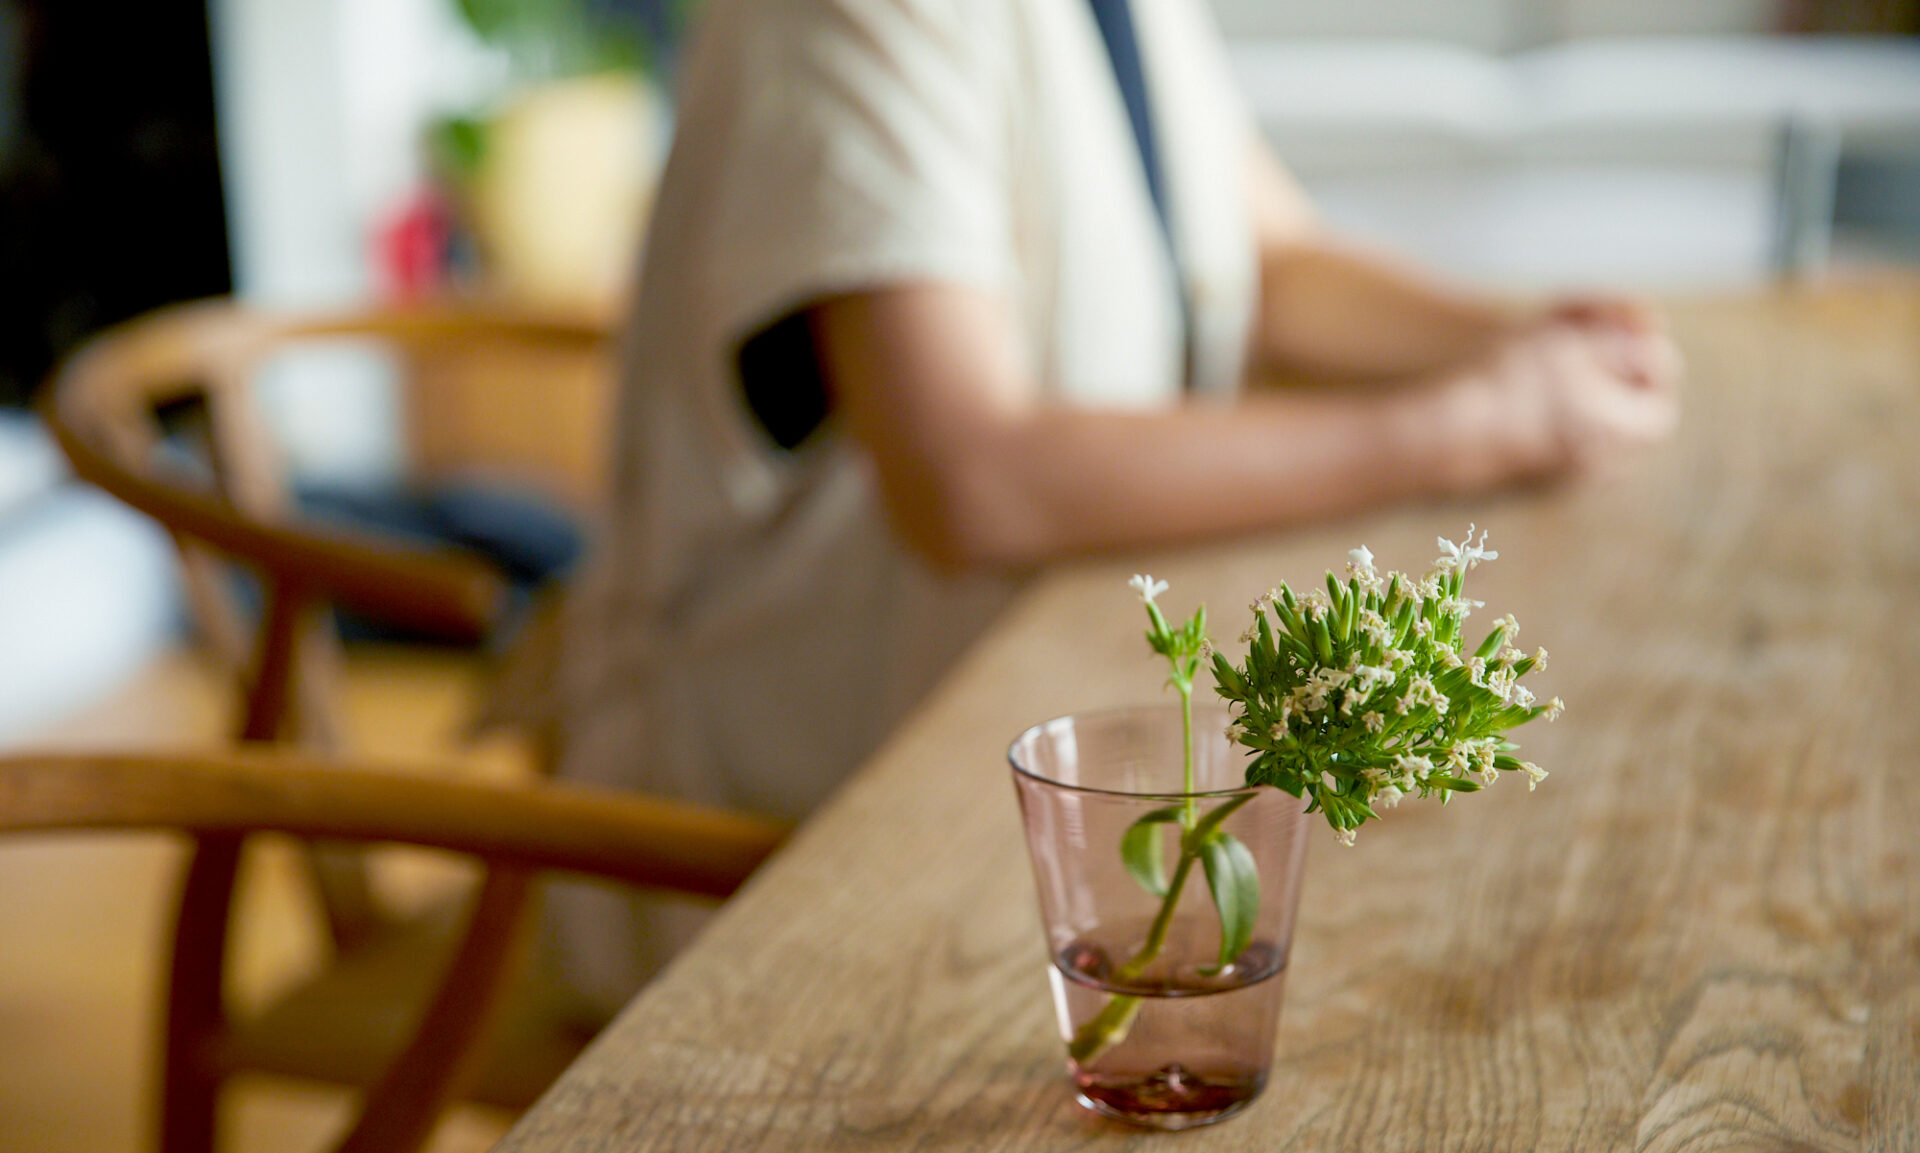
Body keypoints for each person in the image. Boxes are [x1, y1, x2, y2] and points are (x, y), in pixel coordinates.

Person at [528, 0, 1679, 1013]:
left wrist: (1529, 346)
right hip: (782, 847)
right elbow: (969, 476)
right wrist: (1472, 426)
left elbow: (1271, 263)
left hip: (1030, 741)